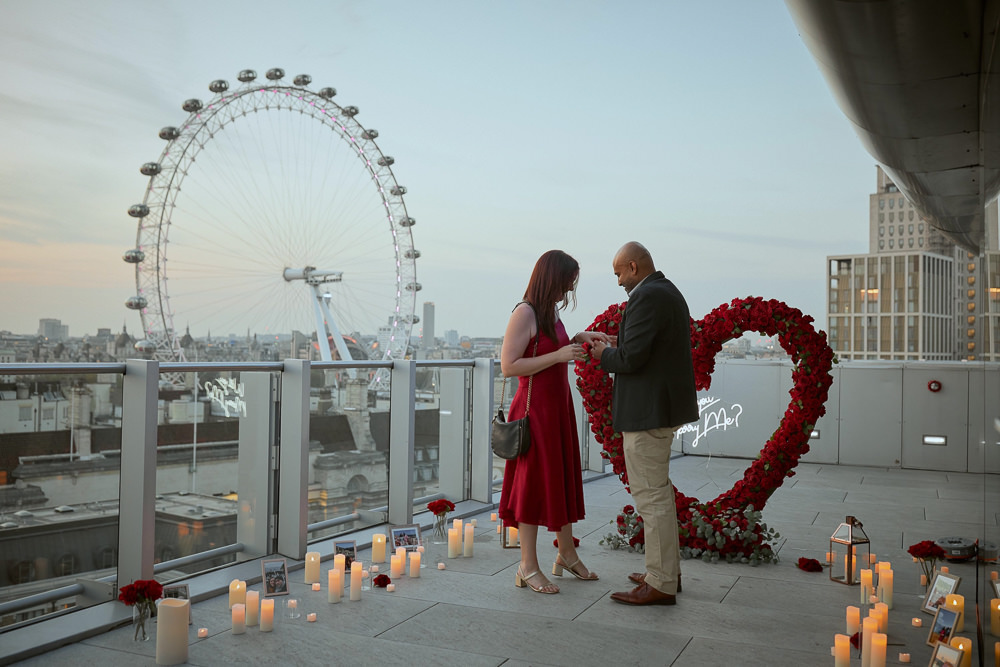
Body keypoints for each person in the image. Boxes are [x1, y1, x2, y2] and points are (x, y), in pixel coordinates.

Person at [590, 241, 699, 606]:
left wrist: (602, 353)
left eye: (619, 272)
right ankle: (665, 571)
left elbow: (632, 358)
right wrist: (616, 344)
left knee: (651, 498)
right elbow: (645, 349)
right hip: (658, 412)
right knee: (658, 495)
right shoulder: (665, 292)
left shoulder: (647, 296)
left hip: (647, 415)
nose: (619, 280)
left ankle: (662, 581)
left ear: (634, 267)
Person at [498, 249, 613, 594]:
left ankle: (566, 553)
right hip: (534, 412)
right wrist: (560, 355)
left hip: (556, 408)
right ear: (552, 280)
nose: (567, 292)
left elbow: (549, 348)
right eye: (566, 284)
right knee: (533, 486)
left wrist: (577, 339)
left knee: (558, 479)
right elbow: (509, 365)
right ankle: (527, 566)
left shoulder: (548, 312)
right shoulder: (525, 312)